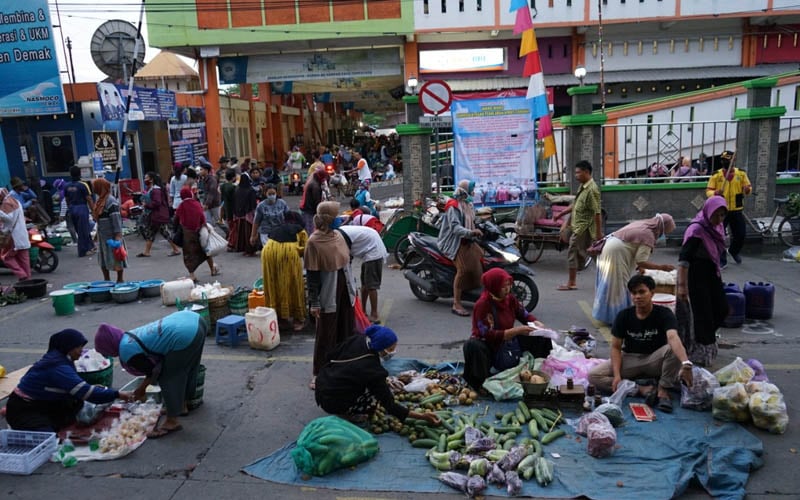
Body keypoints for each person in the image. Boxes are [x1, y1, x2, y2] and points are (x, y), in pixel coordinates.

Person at [588, 275, 694, 413]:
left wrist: (686, 363)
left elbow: (673, 337)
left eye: (642, 292)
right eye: (634, 293)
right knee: (594, 375)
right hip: (630, 359)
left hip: (655, 360)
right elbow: (615, 347)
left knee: (672, 349)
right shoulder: (623, 315)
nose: (637, 296)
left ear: (652, 293)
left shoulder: (664, 313)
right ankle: (642, 389)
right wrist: (617, 376)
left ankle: (662, 390)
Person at [94, 310, 207, 438]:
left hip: (185, 334)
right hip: (194, 319)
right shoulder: (128, 336)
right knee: (188, 368)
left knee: (169, 377)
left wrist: (140, 391)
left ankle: (172, 421)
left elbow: (152, 372)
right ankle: (181, 405)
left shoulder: (126, 350)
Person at [5, 329, 134, 432]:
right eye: (78, 347)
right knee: (47, 436)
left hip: (41, 403)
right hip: (23, 408)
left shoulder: (59, 359)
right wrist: (117, 394)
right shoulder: (57, 367)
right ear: (68, 347)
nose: (81, 351)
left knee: (72, 411)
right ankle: (19, 427)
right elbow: (87, 393)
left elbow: (76, 388)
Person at [315, 325, 441, 426]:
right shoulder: (373, 370)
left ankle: (341, 400)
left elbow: (329, 356)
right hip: (332, 402)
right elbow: (390, 406)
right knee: (373, 397)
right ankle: (346, 413)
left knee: (372, 385)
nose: (393, 352)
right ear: (381, 348)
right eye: (391, 349)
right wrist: (422, 416)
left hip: (322, 386)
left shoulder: (358, 339)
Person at [462, 268, 551, 391]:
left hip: (508, 341)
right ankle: (480, 384)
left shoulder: (510, 299)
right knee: (473, 345)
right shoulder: (483, 305)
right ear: (494, 287)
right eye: (503, 286)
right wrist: (516, 331)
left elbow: (523, 314)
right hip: (491, 345)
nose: (507, 289)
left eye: (509, 285)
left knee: (541, 337)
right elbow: (487, 334)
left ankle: (537, 373)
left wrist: (536, 322)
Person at [304, 201, 357, 390]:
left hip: (345, 288)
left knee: (346, 328)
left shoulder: (338, 235)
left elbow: (347, 261)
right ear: (328, 219)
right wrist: (314, 302)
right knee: (326, 334)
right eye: (336, 216)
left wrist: (353, 289)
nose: (340, 218)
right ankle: (319, 373)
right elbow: (312, 275)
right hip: (328, 291)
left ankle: (343, 365)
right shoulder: (314, 242)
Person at [592, 213, 677, 325]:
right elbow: (641, 260)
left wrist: (641, 268)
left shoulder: (643, 224)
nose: (663, 235)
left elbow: (633, 247)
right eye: (665, 232)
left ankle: (608, 315)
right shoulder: (648, 235)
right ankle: (618, 319)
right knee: (619, 286)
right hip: (616, 254)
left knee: (610, 285)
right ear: (662, 227)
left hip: (609, 248)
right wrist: (662, 267)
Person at [676, 196, 729, 367]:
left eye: (722, 215)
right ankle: (699, 350)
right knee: (702, 313)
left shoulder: (717, 227)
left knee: (721, 309)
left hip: (711, 273)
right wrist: (682, 287)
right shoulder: (697, 230)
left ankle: (704, 342)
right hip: (696, 275)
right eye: (716, 215)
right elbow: (684, 260)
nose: (719, 219)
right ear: (708, 212)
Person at [553, 160, 602, 291]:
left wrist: (598, 234)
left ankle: (572, 282)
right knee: (594, 254)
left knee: (573, 252)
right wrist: (561, 215)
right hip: (578, 227)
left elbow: (597, 213)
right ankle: (609, 279)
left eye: (578, 172)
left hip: (584, 229)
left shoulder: (592, 190)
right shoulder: (583, 186)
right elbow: (576, 205)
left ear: (586, 172)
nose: (576, 175)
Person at [438, 179, 483, 316]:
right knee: (463, 270)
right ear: (465, 191)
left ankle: (471, 291)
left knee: (481, 256)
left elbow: (473, 220)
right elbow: (455, 228)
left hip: (467, 239)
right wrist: (471, 233)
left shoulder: (467, 204)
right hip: (454, 242)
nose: (473, 192)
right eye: (471, 190)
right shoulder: (454, 206)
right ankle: (456, 303)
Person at [261, 210, 307, 332]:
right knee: (293, 283)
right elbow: (305, 249)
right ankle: (298, 319)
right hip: (288, 253)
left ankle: (280, 318)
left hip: (268, 251)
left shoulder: (277, 227)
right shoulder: (300, 229)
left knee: (274, 283)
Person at [705, 150, 752, 266]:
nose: (724, 162)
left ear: (733, 160)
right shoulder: (716, 175)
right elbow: (708, 191)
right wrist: (715, 192)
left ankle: (734, 251)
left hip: (736, 209)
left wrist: (747, 190)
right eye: (723, 160)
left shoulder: (741, 174)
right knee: (719, 235)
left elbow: (748, 188)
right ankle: (722, 259)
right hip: (721, 210)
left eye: (727, 160)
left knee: (740, 234)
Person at [337, 224, 388, 324]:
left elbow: (346, 256)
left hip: (374, 252)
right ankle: (363, 311)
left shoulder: (340, 237)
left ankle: (374, 315)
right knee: (364, 284)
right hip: (368, 251)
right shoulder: (339, 232)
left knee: (371, 285)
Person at [175, 186, 219, 281]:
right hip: (199, 231)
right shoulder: (196, 204)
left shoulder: (181, 206)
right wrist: (205, 227)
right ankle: (212, 269)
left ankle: (192, 275)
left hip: (187, 234)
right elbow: (201, 216)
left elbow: (176, 218)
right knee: (206, 251)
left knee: (189, 255)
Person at [139, 171, 182, 258]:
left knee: (164, 232)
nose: (145, 180)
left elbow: (157, 202)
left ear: (151, 180)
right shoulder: (153, 189)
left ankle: (176, 249)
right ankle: (147, 252)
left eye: (146, 178)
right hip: (157, 215)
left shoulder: (156, 190)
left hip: (158, 215)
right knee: (151, 233)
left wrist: (146, 205)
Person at [92, 178, 127, 283]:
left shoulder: (111, 201)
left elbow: (116, 218)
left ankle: (120, 279)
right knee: (102, 258)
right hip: (103, 235)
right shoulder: (99, 201)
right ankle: (106, 279)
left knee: (117, 257)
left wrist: (117, 235)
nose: (93, 189)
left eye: (95, 186)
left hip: (112, 234)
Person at [63, 167, 96, 257]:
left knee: (80, 229)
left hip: (72, 208)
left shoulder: (66, 185)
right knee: (83, 230)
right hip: (82, 208)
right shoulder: (83, 185)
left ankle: (91, 246)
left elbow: (66, 199)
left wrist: (70, 207)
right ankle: (83, 251)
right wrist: (93, 211)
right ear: (80, 173)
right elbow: (89, 199)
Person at [0, 188, 32, 280]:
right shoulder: (16, 201)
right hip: (22, 234)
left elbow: (9, 218)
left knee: (6, 257)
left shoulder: (6, 204)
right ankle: (27, 281)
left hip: (14, 236)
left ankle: (22, 275)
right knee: (24, 260)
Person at [228, 172, 258, 255]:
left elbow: (234, 202)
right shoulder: (250, 190)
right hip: (248, 215)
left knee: (241, 234)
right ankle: (251, 250)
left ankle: (244, 249)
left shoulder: (237, 189)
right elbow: (253, 203)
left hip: (239, 215)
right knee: (249, 233)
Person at [300, 165, 330, 235]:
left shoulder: (313, 180)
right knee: (310, 230)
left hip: (306, 208)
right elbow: (316, 201)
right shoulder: (315, 186)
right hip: (308, 210)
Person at [198, 159, 221, 228]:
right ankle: (212, 237)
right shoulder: (203, 179)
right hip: (207, 204)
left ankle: (228, 233)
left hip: (214, 204)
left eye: (201, 169)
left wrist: (206, 204)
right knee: (208, 222)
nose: (200, 171)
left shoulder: (212, 180)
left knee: (219, 222)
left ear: (206, 170)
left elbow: (211, 193)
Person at [219, 168, 237, 238]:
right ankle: (232, 243)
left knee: (230, 227)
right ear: (233, 177)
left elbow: (222, 199)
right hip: (233, 211)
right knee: (234, 230)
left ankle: (230, 240)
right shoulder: (234, 187)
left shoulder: (222, 186)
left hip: (226, 210)